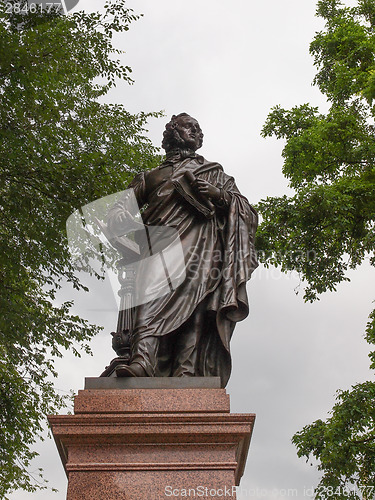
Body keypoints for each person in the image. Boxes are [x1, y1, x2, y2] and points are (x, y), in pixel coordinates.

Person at [107, 113, 258, 387]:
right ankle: (143, 361)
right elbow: (117, 211)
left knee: (197, 306)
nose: (198, 133)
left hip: (203, 250)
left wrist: (218, 194)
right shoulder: (150, 176)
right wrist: (122, 219)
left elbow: (247, 211)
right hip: (158, 247)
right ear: (174, 132)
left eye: (200, 129)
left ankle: (186, 371)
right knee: (151, 299)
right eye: (191, 127)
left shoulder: (215, 173)